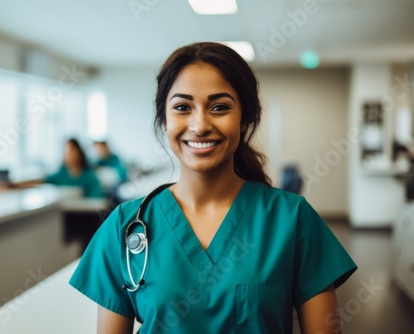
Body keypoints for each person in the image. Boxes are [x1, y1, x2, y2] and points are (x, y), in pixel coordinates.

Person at [69, 42, 357, 333]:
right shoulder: (125, 226)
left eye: (219, 107)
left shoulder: (293, 219)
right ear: (164, 120)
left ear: (244, 119)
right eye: (182, 107)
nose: (200, 125)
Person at [18, 138, 104, 198]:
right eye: (65, 151)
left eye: (70, 151)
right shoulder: (62, 174)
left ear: (80, 152)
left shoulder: (90, 177)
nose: (67, 155)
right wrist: (15, 184)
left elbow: (96, 203)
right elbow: (42, 180)